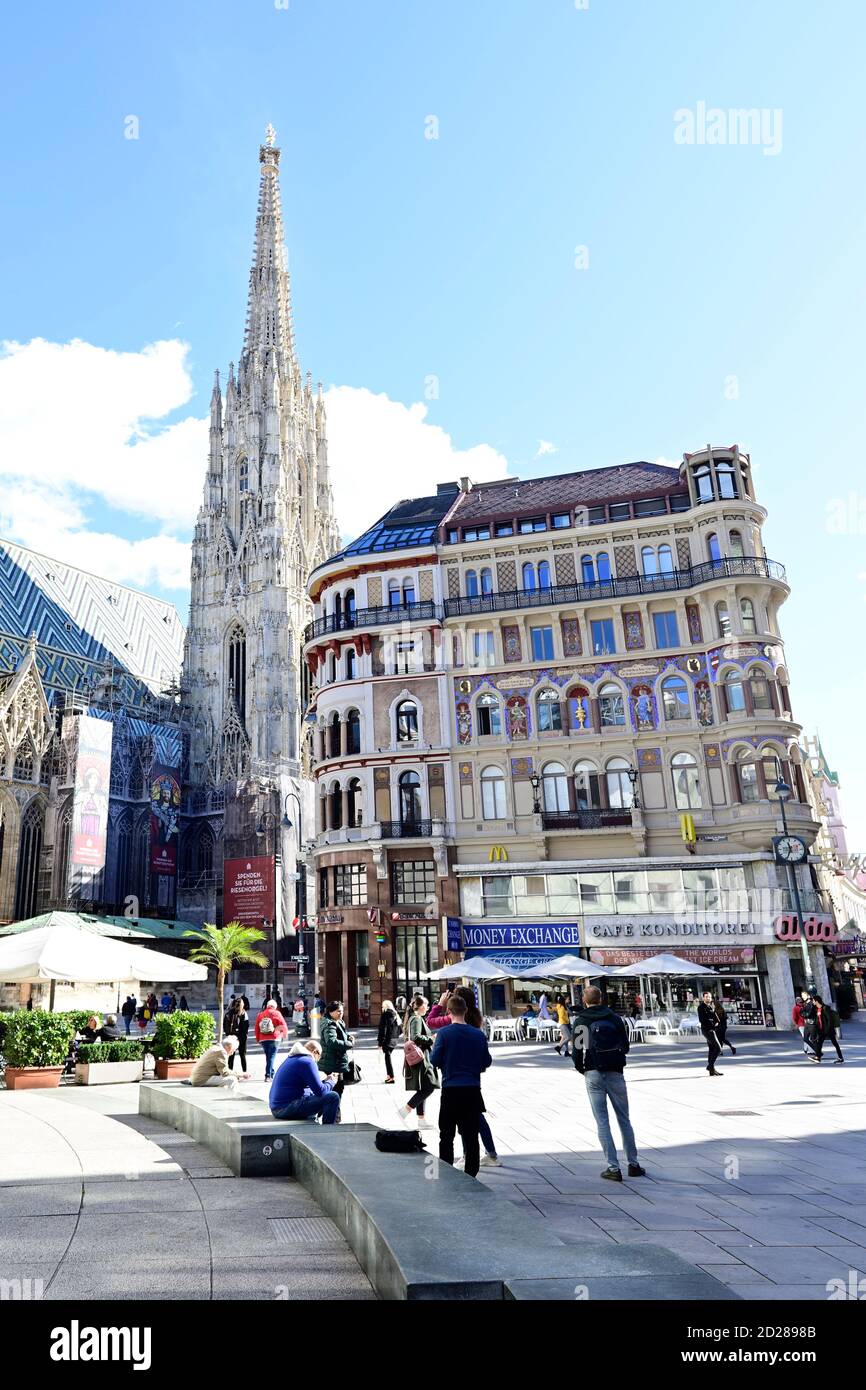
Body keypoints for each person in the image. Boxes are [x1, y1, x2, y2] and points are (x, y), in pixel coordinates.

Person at [572, 985, 645, 1182]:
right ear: (602, 998)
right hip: (615, 1071)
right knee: (624, 1119)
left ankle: (613, 1167)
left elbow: (578, 1052)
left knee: (602, 1121)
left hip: (594, 1072)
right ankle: (634, 1164)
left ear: (585, 1001)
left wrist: (583, 1069)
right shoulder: (614, 1018)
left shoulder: (582, 1021)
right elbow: (626, 1047)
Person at [428, 985, 501, 1166]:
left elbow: (431, 1023)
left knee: (447, 1133)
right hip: (472, 1085)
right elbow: (486, 1061)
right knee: (471, 1128)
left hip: (451, 1086)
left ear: (451, 1009)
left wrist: (439, 1003)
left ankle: (450, 1167)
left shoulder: (445, 1032)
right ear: (467, 1007)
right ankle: (474, 1166)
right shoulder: (477, 1028)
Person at [269, 1040, 341, 1124]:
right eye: (320, 1056)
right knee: (332, 1097)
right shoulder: (308, 1061)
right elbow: (321, 1091)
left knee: (323, 1096)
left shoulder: (295, 1058)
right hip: (285, 1109)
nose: (318, 1060)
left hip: (278, 1107)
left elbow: (312, 1086)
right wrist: (331, 1081)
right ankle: (327, 1131)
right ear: (315, 1052)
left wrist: (325, 1081)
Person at [401, 994, 438, 1128]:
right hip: (422, 1058)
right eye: (427, 1005)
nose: (427, 1008)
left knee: (424, 1088)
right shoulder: (416, 1019)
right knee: (429, 1087)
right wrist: (432, 1038)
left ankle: (421, 1120)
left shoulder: (414, 1018)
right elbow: (416, 1037)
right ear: (421, 1006)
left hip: (420, 1057)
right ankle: (405, 1110)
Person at [319, 1000, 353, 1095]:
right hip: (331, 1062)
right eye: (338, 1011)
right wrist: (349, 1044)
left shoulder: (338, 1021)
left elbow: (342, 1033)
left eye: (342, 1011)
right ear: (330, 1011)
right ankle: (333, 1109)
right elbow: (331, 1041)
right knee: (336, 1089)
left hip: (336, 1060)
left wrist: (348, 1036)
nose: (340, 1013)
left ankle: (333, 1108)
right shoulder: (330, 1024)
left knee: (338, 1088)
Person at [803, 986, 844, 1064]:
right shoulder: (816, 1009)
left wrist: (827, 1030)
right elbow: (811, 1015)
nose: (813, 1002)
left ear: (817, 1001)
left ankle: (840, 1058)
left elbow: (829, 1020)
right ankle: (818, 1058)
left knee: (835, 1043)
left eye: (814, 1001)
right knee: (819, 1044)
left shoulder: (825, 1008)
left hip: (828, 1030)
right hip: (822, 1030)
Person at [255, 997, 289, 1081]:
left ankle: (271, 1072)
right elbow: (283, 1025)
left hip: (263, 1039)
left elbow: (256, 1028)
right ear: (275, 1006)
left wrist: (258, 1038)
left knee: (269, 1057)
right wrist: (284, 1036)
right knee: (271, 1057)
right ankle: (268, 1075)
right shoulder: (277, 1013)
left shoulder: (260, 1014)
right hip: (275, 1038)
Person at [697, 991, 723, 1077]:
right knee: (718, 1049)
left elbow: (715, 1017)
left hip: (712, 1029)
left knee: (711, 1050)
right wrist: (713, 1024)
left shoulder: (710, 1006)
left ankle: (712, 1071)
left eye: (709, 997)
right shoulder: (701, 1007)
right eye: (706, 997)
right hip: (707, 1030)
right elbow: (703, 1020)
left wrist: (717, 1022)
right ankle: (710, 1066)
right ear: (703, 998)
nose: (708, 998)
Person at [377, 999, 401, 1083]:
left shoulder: (385, 1014)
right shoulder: (395, 1014)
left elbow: (382, 1029)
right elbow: (399, 1028)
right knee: (388, 1057)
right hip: (394, 1039)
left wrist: (380, 1042)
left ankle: (391, 1076)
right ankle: (389, 1076)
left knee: (387, 1058)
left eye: (383, 1006)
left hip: (387, 1040)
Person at [228, 999, 250, 1076]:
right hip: (237, 1038)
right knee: (239, 1055)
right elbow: (246, 1027)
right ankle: (244, 1072)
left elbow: (246, 1027)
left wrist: (229, 1034)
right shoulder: (232, 1013)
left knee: (236, 1055)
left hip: (236, 1038)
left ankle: (233, 1072)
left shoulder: (242, 1014)